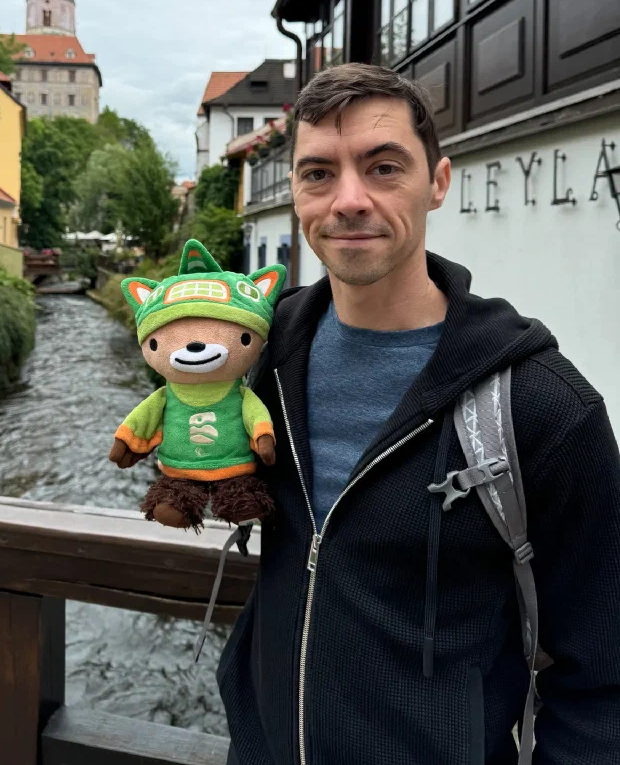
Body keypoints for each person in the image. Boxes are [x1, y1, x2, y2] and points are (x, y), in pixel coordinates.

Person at [217, 63, 620, 765]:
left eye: (383, 167)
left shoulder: (543, 406)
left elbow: (604, 680)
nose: (349, 200)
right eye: (318, 174)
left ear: (437, 182)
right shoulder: (262, 356)